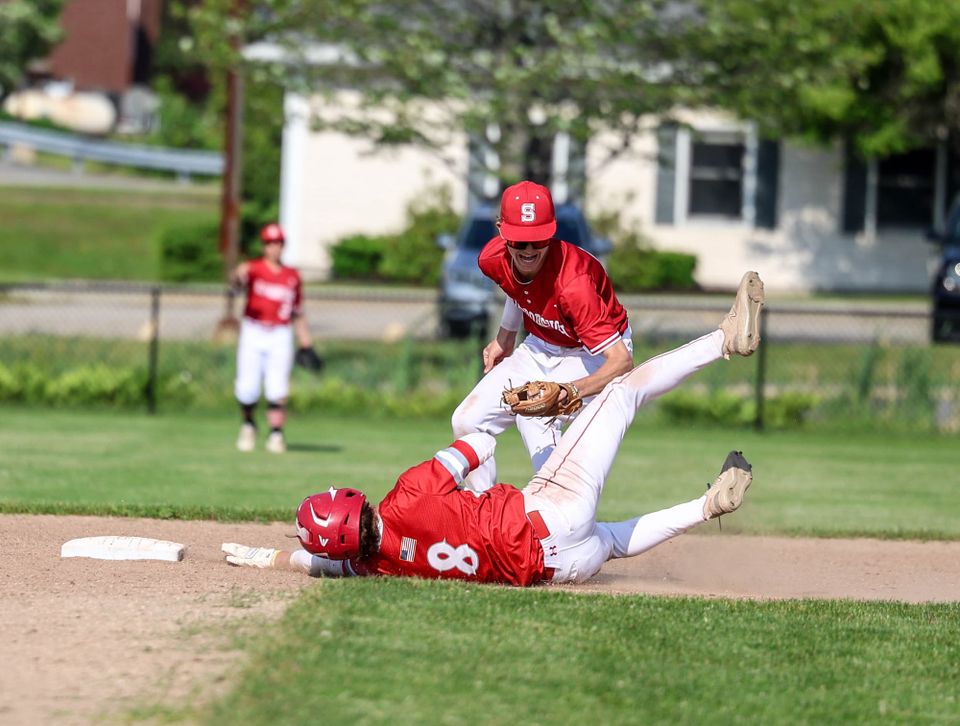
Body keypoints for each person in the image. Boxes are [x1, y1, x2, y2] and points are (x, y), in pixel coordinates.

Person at [221, 271, 764, 586]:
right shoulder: (406, 496)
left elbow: (319, 564)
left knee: (614, 542)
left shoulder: (376, 567)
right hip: (546, 512)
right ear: (354, 502)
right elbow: (478, 440)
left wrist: (267, 558)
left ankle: (706, 507)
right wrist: (534, 414)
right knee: (621, 390)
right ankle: (724, 339)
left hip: (558, 568)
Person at [451, 180, 635, 494]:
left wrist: (568, 391)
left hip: (590, 352)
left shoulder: (574, 283)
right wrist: (505, 338)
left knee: (536, 415)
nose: (528, 250)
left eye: (538, 240)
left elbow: (621, 361)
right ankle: (481, 509)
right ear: (501, 231)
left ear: (552, 232)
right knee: (467, 420)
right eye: (519, 241)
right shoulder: (492, 258)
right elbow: (518, 289)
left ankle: (559, 509)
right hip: (539, 345)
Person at [232, 222, 315, 454]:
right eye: (270, 243)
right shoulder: (253, 269)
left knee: (277, 386)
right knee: (247, 387)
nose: (274, 247)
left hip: (280, 332)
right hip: (253, 330)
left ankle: (276, 434)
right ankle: (249, 425)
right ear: (264, 246)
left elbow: (297, 311)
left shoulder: (292, 276)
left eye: (278, 243)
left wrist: (306, 342)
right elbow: (236, 284)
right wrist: (237, 274)